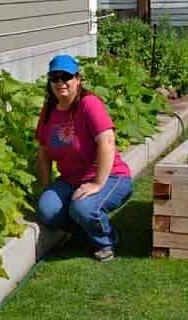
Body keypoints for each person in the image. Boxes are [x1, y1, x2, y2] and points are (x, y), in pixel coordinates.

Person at [34, 54, 133, 262]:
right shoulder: (49, 111)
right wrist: (45, 185)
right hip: (71, 181)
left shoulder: (89, 104)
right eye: (55, 77)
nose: (60, 82)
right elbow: (43, 150)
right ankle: (85, 231)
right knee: (46, 209)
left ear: (77, 78)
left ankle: (106, 241)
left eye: (66, 76)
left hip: (111, 177)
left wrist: (97, 183)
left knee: (82, 207)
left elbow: (107, 141)